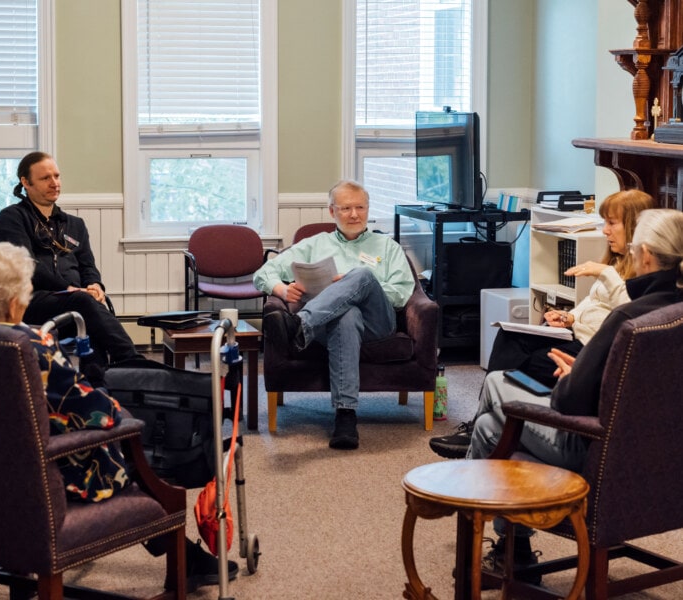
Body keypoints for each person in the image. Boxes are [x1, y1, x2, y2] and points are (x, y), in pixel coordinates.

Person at [0, 242, 238, 590]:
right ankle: (183, 558)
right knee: (132, 455)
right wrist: (122, 413)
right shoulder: (29, 345)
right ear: (16, 303)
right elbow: (93, 412)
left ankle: (185, 556)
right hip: (40, 482)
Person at [469, 208, 683, 581]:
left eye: (633, 248)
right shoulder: (671, 313)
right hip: (665, 463)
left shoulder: (628, 319)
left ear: (646, 254)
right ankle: (506, 545)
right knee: (492, 423)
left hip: (598, 454)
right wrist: (590, 374)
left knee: (494, 406)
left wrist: (572, 377)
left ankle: (497, 539)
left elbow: (566, 403)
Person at [430, 189, 655, 459]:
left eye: (612, 223)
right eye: (604, 222)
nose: (605, 230)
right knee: (509, 336)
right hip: (573, 335)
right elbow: (593, 302)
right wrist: (568, 316)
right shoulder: (616, 262)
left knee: (530, 362)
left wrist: (605, 274)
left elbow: (628, 312)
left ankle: (503, 417)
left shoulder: (637, 275)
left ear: (633, 225)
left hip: (589, 349)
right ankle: (478, 423)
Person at [255, 180, 416, 449]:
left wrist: (355, 286)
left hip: (378, 323)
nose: (354, 214)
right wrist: (281, 289)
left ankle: (299, 326)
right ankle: (345, 417)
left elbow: (402, 293)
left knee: (362, 276)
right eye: (346, 208)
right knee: (347, 315)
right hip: (328, 326)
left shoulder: (387, 246)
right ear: (332, 212)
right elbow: (262, 274)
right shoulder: (314, 244)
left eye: (360, 207)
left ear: (368, 209)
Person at [0, 151, 139, 366]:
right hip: (28, 299)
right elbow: (27, 266)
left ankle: (98, 385)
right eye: (45, 178)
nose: (54, 183)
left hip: (74, 300)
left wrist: (94, 284)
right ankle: (133, 362)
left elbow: (88, 265)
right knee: (83, 303)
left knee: (90, 315)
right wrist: (70, 289)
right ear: (26, 182)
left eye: (57, 176)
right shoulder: (12, 218)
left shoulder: (74, 224)